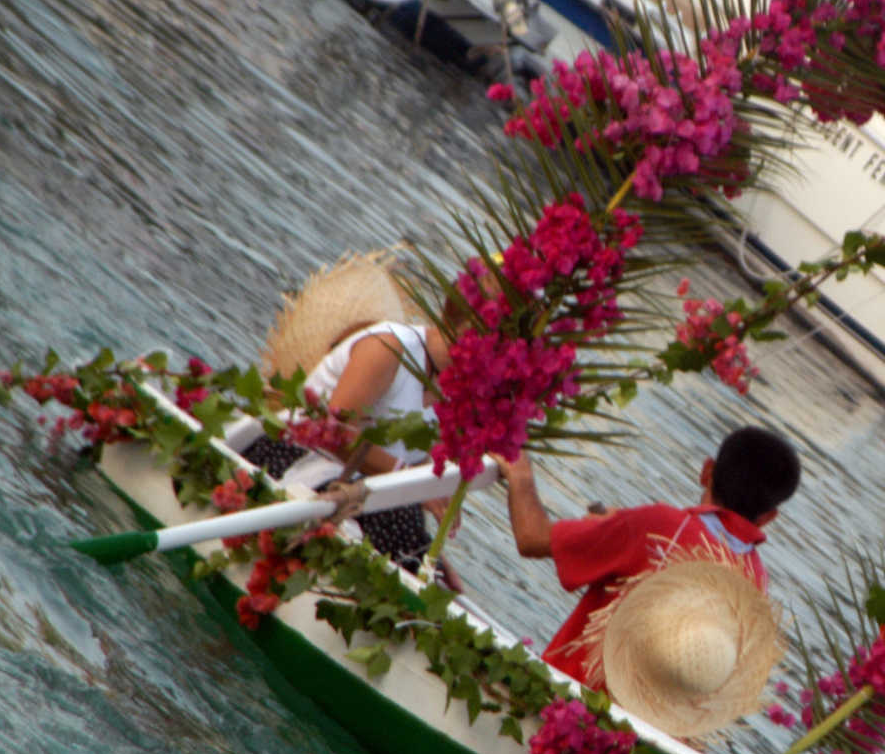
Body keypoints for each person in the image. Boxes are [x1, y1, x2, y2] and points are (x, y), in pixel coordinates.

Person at [503, 426, 801, 693]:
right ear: (768, 517)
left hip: (571, 706)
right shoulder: (755, 581)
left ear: (706, 471)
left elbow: (531, 537)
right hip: (652, 740)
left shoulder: (658, 526)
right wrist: (620, 526)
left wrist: (520, 474)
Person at [241, 253, 459, 579]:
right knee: (400, 518)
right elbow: (332, 433)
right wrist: (410, 482)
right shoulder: (389, 348)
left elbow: (405, 472)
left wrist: (433, 557)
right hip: (291, 457)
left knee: (428, 561)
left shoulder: (455, 391)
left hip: (355, 496)